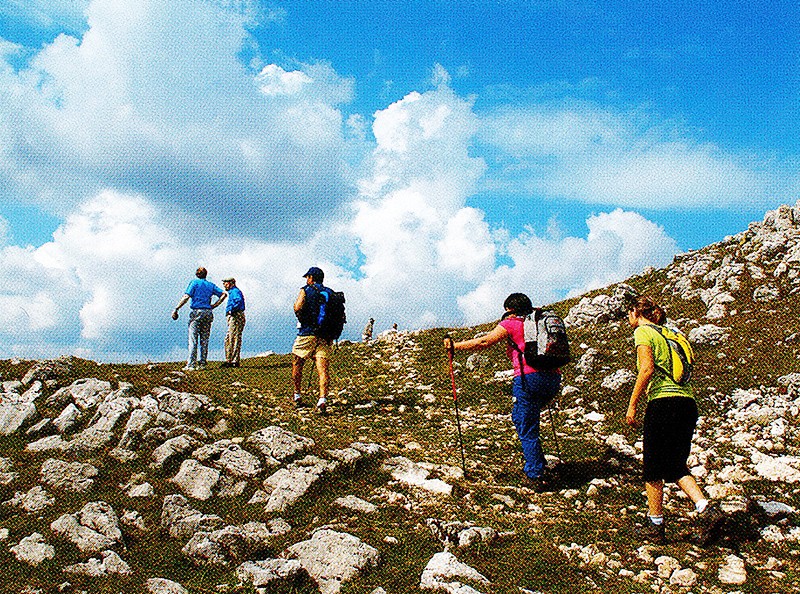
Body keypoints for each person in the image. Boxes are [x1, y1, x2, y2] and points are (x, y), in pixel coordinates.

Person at [625, 295, 725, 544]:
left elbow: (646, 368)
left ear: (637, 313)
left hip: (663, 402)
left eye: (629, 313)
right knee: (676, 464)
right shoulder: (672, 333)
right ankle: (706, 509)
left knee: (652, 467)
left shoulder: (643, 332)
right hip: (687, 403)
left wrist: (632, 405)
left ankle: (655, 525)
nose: (628, 318)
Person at [443, 293, 561, 490]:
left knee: (525, 424)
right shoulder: (539, 320)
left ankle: (536, 475)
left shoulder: (512, 323)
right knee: (523, 418)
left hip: (528, 378)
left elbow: (484, 342)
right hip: (553, 378)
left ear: (510, 309)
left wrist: (455, 346)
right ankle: (540, 464)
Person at [291, 266, 332, 413]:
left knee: (297, 362)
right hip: (325, 335)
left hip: (307, 332)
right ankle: (322, 399)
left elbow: (297, 307)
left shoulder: (305, 290)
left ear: (311, 278)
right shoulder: (329, 292)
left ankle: (297, 395)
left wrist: (303, 317)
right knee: (322, 368)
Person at [172, 267, 226, 370]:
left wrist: (176, 308)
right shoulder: (210, 285)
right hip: (208, 312)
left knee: (193, 339)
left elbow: (186, 297)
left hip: (197, 312)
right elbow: (223, 294)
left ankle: (191, 364)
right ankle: (202, 363)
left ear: (197, 274)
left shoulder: (194, 283)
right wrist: (214, 305)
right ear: (206, 274)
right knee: (204, 340)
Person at [220, 277, 246, 368]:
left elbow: (238, 301)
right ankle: (230, 359)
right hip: (234, 315)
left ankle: (233, 361)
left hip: (235, 315)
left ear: (231, 283)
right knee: (230, 337)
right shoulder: (233, 292)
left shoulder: (235, 292)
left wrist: (232, 309)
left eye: (226, 283)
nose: (224, 285)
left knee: (233, 337)